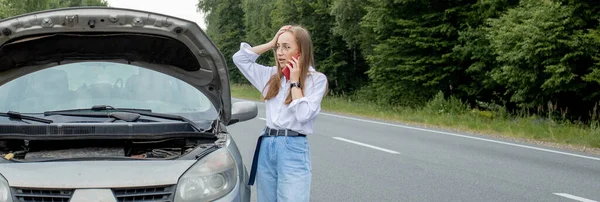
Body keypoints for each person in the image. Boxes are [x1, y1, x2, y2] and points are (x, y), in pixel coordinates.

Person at [232, 25, 328, 202]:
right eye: (278, 47)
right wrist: (270, 42)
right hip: (267, 145)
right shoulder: (271, 76)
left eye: (287, 47)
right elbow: (240, 59)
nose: (280, 52)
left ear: (301, 51)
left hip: (293, 147)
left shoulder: (316, 80)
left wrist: (294, 81)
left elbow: (303, 115)